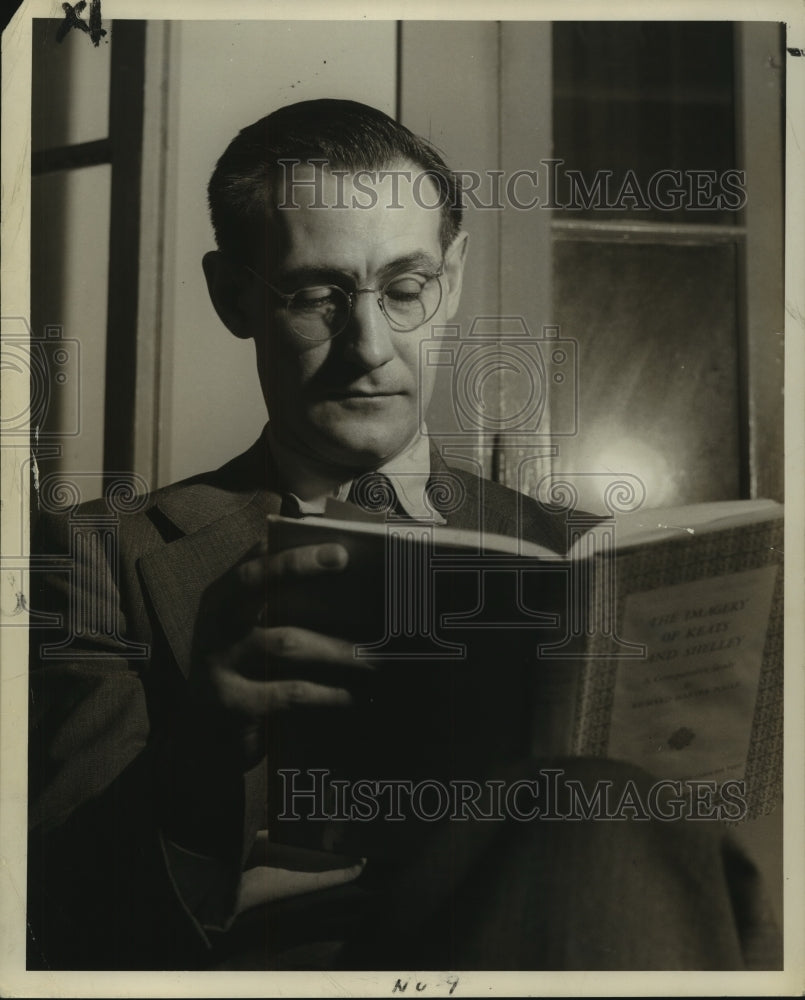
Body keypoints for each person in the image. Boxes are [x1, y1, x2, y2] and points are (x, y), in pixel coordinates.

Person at [27, 99, 781, 972]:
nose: (370, 347)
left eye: (404, 289)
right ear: (233, 295)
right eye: (317, 296)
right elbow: (63, 917)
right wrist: (201, 747)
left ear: (450, 281)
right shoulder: (97, 558)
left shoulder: (586, 559)